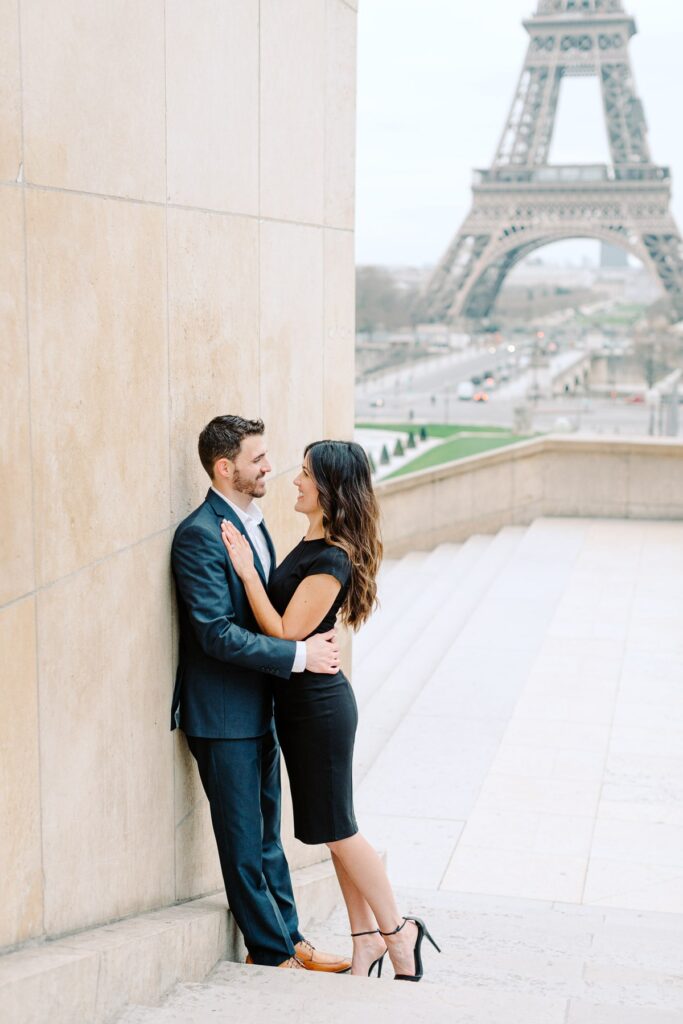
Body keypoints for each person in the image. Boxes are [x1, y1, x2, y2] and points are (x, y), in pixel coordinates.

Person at [221, 439, 440, 981]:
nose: (295, 481)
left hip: (318, 709)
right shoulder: (310, 543)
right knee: (330, 826)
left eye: (305, 474)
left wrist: (248, 573)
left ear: (331, 490)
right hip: (302, 706)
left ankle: (398, 931)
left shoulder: (331, 556)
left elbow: (288, 633)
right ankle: (365, 940)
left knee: (339, 829)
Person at [171, 415, 350, 972]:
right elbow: (215, 632)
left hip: (262, 706)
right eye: (258, 459)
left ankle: (291, 939)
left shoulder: (256, 523)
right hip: (221, 715)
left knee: (270, 838)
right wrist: (300, 657)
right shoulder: (199, 535)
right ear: (225, 468)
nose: (271, 468)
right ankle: (272, 955)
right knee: (244, 843)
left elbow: (272, 611)